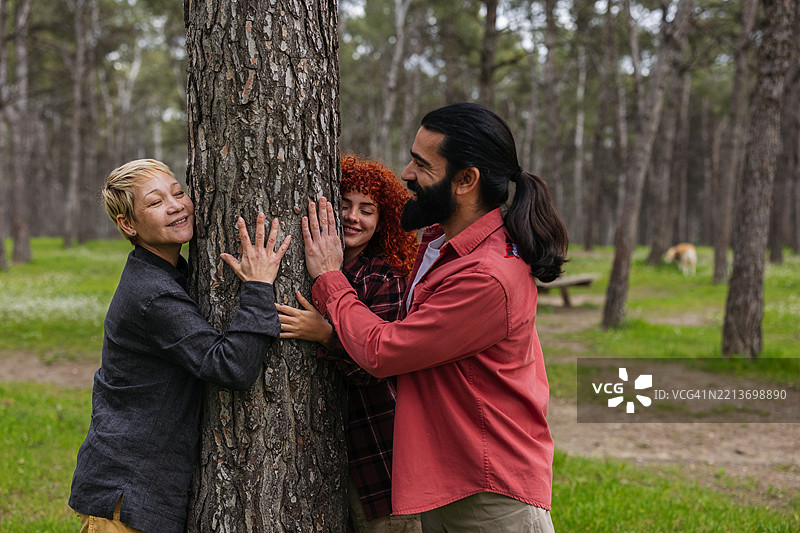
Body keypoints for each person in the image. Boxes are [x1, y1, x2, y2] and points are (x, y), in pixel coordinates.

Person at [300, 103, 568, 532]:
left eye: (422, 165)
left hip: (488, 493)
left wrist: (331, 279)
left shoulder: (488, 275)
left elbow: (385, 350)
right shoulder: (439, 243)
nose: (406, 172)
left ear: (466, 181)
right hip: (451, 481)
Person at [68, 159, 291, 533]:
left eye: (178, 192)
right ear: (128, 224)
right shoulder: (153, 294)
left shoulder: (166, 274)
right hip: (128, 491)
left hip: (137, 484)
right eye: (155, 203)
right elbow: (231, 367)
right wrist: (258, 287)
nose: (175, 205)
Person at [277, 155, 421, 532]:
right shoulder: (308, 268)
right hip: (329, 457)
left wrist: (326, 335)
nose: (353, 217)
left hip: (380, 454)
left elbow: (380, 367)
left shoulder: (384, 277)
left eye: (367, 210)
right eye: (343, 205)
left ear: (383, 220)